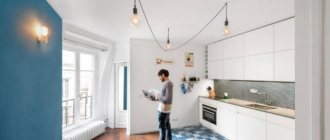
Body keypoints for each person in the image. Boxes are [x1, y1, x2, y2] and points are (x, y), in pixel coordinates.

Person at [148, 69, 173, 140]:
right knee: (167, 127)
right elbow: (164, 98)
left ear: (163, 75)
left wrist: (158, 96)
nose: (159, 78)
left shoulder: (168, 83)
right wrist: (154, 98)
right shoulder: (168, 83)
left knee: (162, 129)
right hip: (166, 109)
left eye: (159, 76)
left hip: (163, 110)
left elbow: (167, 99)